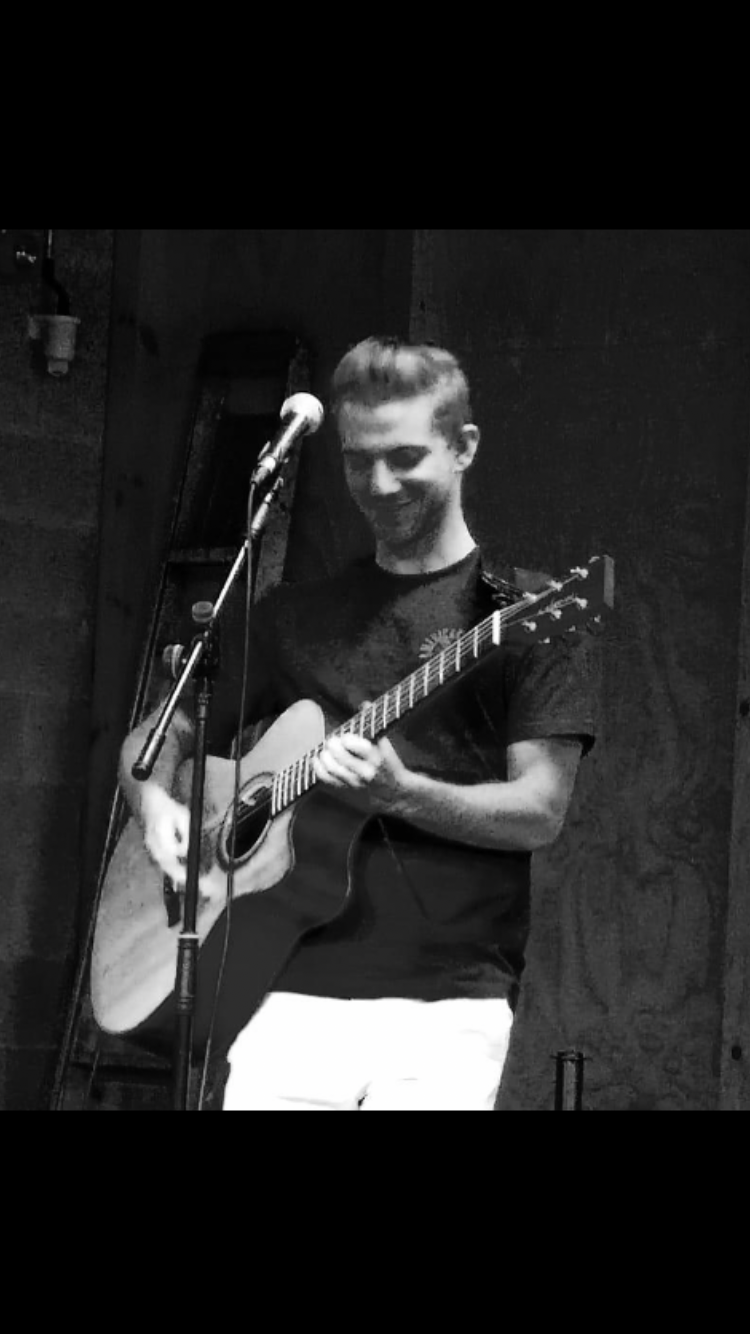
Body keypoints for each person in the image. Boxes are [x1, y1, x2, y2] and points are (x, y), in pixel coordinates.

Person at [118, 335, 598, 1111]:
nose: (378, 485)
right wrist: (154, 806)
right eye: (357, 460)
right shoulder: (292, 618)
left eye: (405, 458)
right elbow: (157, 738)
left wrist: (402, 794)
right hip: (281, 985)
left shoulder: (525, 611)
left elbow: (541, 810)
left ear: (464, 447)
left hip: (448, 1003)